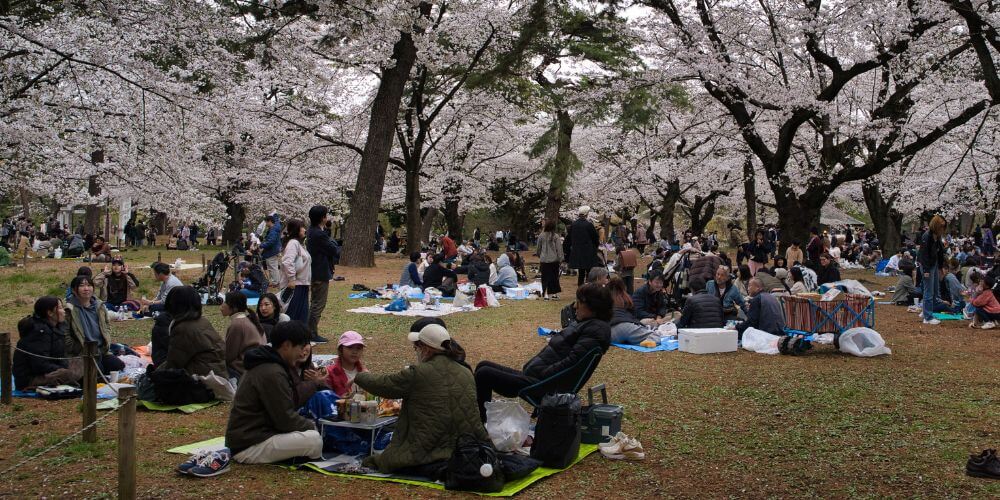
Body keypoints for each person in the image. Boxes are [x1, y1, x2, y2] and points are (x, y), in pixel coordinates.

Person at [355, 323, 488, 475]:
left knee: (383, 460)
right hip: (466, 446)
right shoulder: (465, 372)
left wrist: (359, 375)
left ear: (426, 348)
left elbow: (383, 385)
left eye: (417, 347)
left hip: (426, 447)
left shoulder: (418, 373)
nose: (417, 351)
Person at [475, 284, 611, 421]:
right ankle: (482, 419)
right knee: (483, 365)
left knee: (484, 374)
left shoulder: (594, 332)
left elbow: (571, 365)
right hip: (538, 376)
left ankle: (481, 424)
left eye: (579, 302)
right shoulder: (588, 324)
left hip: (544, 385)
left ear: (593, 307)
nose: (575, 306)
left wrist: (543, 374)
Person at [223, 321, 323, 469]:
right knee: (314, 439)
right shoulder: (272, 371)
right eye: (300, 347)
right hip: (249, 445)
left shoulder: (271, 364)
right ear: (287, 345)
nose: (302, 353)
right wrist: (314, 426)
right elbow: (285, 419)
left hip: (254, 435)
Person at [156, 286, 227, 376]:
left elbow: (174, 363)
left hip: (204, 379)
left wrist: (154, 375)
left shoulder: (183, 328)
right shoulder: (202, 320)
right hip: (218, 372)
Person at [13, 297, 80, 390]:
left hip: (49, 370)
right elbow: (40, 364)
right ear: (50, 313)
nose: (64, 311)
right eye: (60, 308)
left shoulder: (57, 326)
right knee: (67, 373)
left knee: (83, 362)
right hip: (31, 378)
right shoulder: (39, 332)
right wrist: (62, 368)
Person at [65, 275, 125, 374]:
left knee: (118, 366)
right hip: (82, 352)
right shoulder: (69, 309)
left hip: (100, 350)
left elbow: (107, 325)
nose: (86, 289)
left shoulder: (99, 306)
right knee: (97, 373)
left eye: (89, 285)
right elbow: (65, 334)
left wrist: (106, 340)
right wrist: (77, 348)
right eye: (82, 286)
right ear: (74, 290)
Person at [307, 206, 339, 344]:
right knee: (318, 304)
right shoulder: (318, 234)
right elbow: (333, 249)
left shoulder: (313, 231)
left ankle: (310, 331)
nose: (327, 218)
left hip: (316, 271)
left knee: (315, 303)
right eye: (326, 215)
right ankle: (311, 332)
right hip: (319, 272)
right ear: (322, 218)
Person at [220, 292, 266, 379]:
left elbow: (228, 356)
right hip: (254, 364)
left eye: (225, 302)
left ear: (234, 307)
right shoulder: (247, 319)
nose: (222, 305)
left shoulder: (237, 324)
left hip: (243, 368)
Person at [608, 277, 659, 345]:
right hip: (626, 326)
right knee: (655, 336)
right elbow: (635, 314)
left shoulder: (604, 296)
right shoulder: (627, 296)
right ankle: (642, 341)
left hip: (610, 331)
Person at [280, 218, 312, 323]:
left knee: (302, 315)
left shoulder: (300, 244)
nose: (304, 230)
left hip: (302, 284)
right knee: (293, 314)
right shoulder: (293, 243)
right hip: (295, 285)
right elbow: (288, 262)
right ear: (296, 229)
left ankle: (300, 337)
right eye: (302, 227)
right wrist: (292, 279)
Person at [920, 215, 947, 325]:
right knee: (929, 291)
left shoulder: (937, 237)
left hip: (934, 264)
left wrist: (940, 268)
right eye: (941, 227)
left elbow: (940, 253)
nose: (943, 229)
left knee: (935, 289)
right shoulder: (927, 236)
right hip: (927, 265)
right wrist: (926, 270)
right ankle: (927, 317)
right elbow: (924, 254)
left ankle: (925, 311)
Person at [324, 331, 367, 397]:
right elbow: (327, 399)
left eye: (358, 348)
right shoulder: (330, 373)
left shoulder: (363, 371)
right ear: (341, 349)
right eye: (350, 347)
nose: (355, 352)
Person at [566, 206, 601, 286]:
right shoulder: (589, 225)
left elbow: (569, 238)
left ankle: (580, 290)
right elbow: (595, 238)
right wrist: (595, 247)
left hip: (577, 252)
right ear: (586, 214)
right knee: (589, 272)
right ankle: (589, 289)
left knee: (581, 273)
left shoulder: (573, 224)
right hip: (588, 252)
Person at [537, 219, 564, 300]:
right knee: (554, 277)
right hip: (554, 260)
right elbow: (559, 249)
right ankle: (554, 294)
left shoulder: (541, 236)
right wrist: (561, 259)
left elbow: (538, 248)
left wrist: (540, 255)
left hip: (544, 260)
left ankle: (545, 294)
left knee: (545, 277)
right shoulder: (555, 236)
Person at [260, 214, 283, 287]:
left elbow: (271, 242)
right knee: (273, 267)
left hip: (271, 251)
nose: (266, 224)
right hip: (274, 250)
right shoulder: (275, 228)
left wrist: (262, 245)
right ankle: (275, 281)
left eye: (266, 222)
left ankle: (275, 282)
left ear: (270, 221)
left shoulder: (273, 230)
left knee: (272, 267)